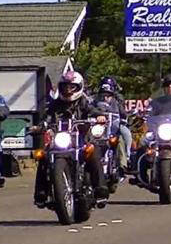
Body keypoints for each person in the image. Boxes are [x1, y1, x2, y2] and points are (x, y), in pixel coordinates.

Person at [35, 71, 106, 206]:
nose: (68, 90)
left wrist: (99, 116)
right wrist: (39, 126)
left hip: (81, 139)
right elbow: (47, 116)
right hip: (61, 139)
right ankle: (41, 193)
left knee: (94, 152)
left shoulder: (83, 102)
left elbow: (92, 110)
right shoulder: (56, 104)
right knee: (43, 156)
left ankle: (100, 190)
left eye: (72, 87)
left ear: (79, 87)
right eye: (65, 86)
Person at [94, 76, 132, 173]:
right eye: (103, 95)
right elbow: (89, 111)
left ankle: (125, 162)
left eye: (108, 95)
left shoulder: (117, 100)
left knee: (125, 134)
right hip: (98, 129)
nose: (105, 97)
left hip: (114, 127)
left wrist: (124, 118)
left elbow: (123, 113)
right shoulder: (94, 101)